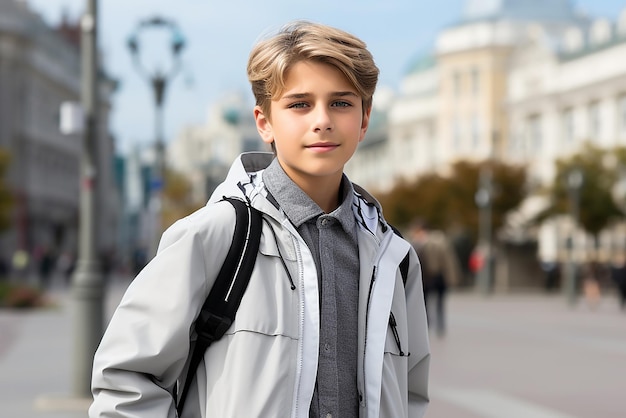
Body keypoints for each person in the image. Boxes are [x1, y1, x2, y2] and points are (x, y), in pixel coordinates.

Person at [89, 21, 430, 418]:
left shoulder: (394, 258)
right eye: (299, 104)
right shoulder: (216, 235)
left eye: (341, 103)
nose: (322, 120)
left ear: (365, 119)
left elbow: (411, 394)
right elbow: (124, 379)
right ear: (264, 121)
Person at [409, 219, 460, 337]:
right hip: (424, 278)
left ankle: (440, 327)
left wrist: (451, 278)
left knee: (439, 303)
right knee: (424, 303)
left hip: (437, 276)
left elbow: (448, 261)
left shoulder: (437, 241)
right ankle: (426, 326)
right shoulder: (414, 243)